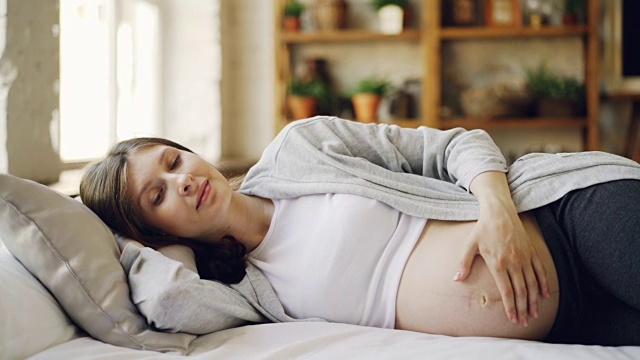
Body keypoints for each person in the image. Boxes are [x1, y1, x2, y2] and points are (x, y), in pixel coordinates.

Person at [80, 116, 640, 346]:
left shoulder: (300, 146)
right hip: (571, 323)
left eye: (173, 162)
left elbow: (452, 144)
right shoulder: (242, 291)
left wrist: (497, 214)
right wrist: (133, 242)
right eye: (157, 195)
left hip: (563, 218)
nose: (181, 182)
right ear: (152, 232)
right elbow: (169, 299)